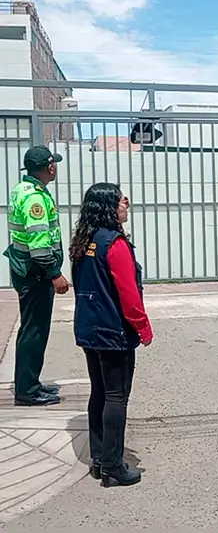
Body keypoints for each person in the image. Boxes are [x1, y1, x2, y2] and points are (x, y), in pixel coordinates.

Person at [68, 182, 152, 486]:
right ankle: (114, 466)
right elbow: (128, 293)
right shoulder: (114, 243)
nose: (126, 203)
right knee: (117, 396)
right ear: (109, 206)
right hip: (113, 330)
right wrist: (142, 327)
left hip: (90, 328)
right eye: (121, 200)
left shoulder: (84, 241)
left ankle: (100, 459)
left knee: (100, 392)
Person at [3, 145, 68, 406]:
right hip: (36, 273)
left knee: (31, 329)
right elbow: (39, 246)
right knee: (34, 331)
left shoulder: (24, 189)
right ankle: (28, 391)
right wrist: (55, 273)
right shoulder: (35, 199)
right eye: (55, 164)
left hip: (26, 271)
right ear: (49, 167)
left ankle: (30, 382)